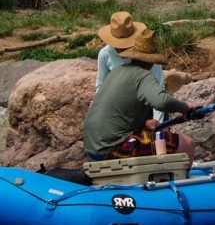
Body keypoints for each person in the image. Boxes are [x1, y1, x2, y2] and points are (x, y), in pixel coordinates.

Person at [83, 28, 199, 161]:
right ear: (151, 61)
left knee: (154, 137)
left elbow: (120, 111)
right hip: (113, 147)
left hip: (92, 147)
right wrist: (186, 108)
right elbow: (162, 102)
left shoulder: (117, 72)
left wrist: (143, 124)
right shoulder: (143, 76)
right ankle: (177, 180)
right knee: (187, 144)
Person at [95, 11, 166, 123]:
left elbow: (159, 88)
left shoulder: (146, 54)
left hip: (147, 106)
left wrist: (158, 123)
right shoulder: (105, 54)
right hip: (120, 111)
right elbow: (101, 87)